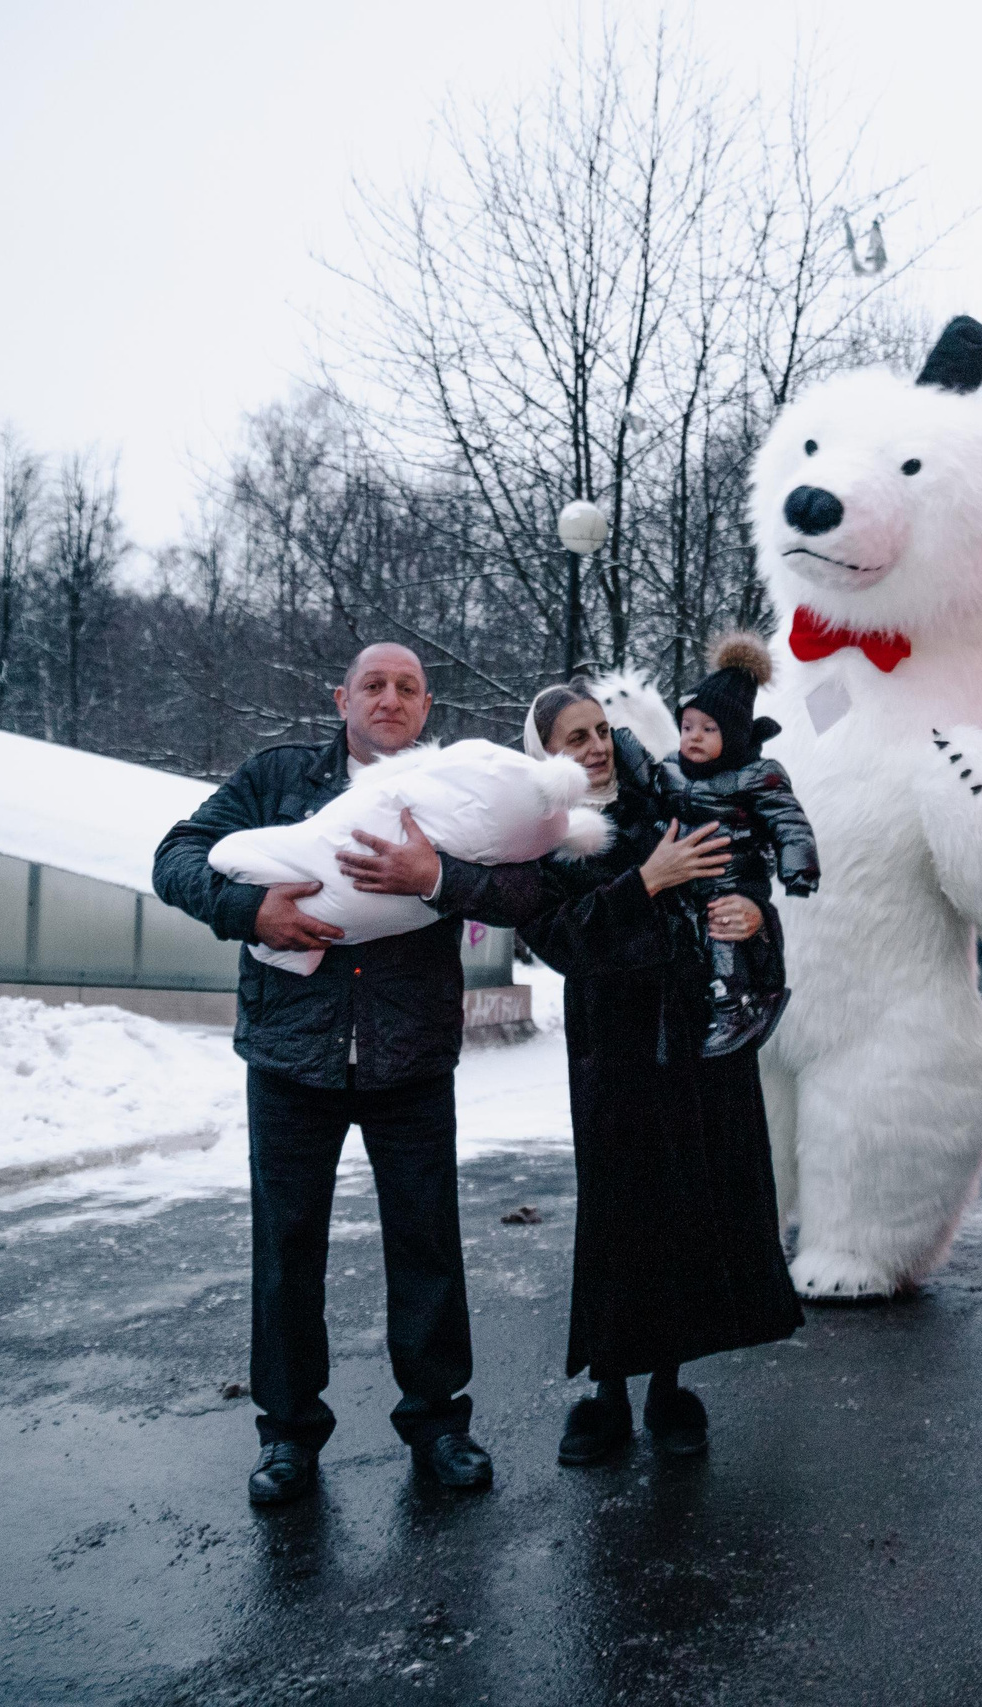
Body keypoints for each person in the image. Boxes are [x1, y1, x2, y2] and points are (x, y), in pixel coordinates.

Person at [153, 643, 546, 1505]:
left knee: (427, 1244)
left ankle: (440, 1425)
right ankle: (289, 1434)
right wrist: (247, 907)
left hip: (410, 1056)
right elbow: (176, 856)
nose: (391, 698)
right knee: (287, 1252)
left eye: (408, 686)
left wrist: (438, 875)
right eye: (374, 684)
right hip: (293, 1055)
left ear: (427, 704)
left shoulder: (462, 790)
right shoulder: (279, 777)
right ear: (342, 697)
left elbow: (527, 892)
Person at [519, 682, 804, 1466]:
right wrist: (647, 880)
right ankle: (608, 1391)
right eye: (574, 737)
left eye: (601, 730)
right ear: (545, 753)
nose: (596, 747)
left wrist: (753, 913)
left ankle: (668, 1389)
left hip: (699, 1039)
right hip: (615, 1053)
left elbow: (739, 875)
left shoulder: (666, 796)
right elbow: (560, 939)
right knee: (621, 1217)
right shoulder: (541, 835)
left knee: (692, 1208)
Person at [610, 633, 820, 1058]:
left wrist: (798, 868)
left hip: (734, 878)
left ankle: (736, 1004)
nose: (693, 737)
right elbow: (650, 786)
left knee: (724, 927)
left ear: (737, 734)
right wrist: (627, 749)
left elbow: (788, 821)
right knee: (699, 934)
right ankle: (722, 1002)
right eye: (687, 727)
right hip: (685, 884)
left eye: (709, 729)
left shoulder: (757, 775)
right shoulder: (672, 769)